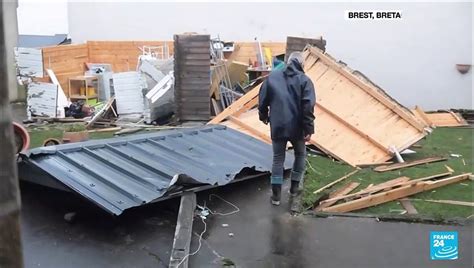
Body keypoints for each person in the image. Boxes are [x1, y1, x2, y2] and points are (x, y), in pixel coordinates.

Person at [258, 52, 316, 205]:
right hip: (297, 128)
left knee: (278, 158)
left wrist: (263, 116)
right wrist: (308, 128)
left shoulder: (272, 78)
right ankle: (294, 189)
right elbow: (308, 106)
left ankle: (276, 197)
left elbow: (263, 100)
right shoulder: (305, 80)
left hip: (277, 125)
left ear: (288, 62)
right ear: (302, 64)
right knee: (300, 155)